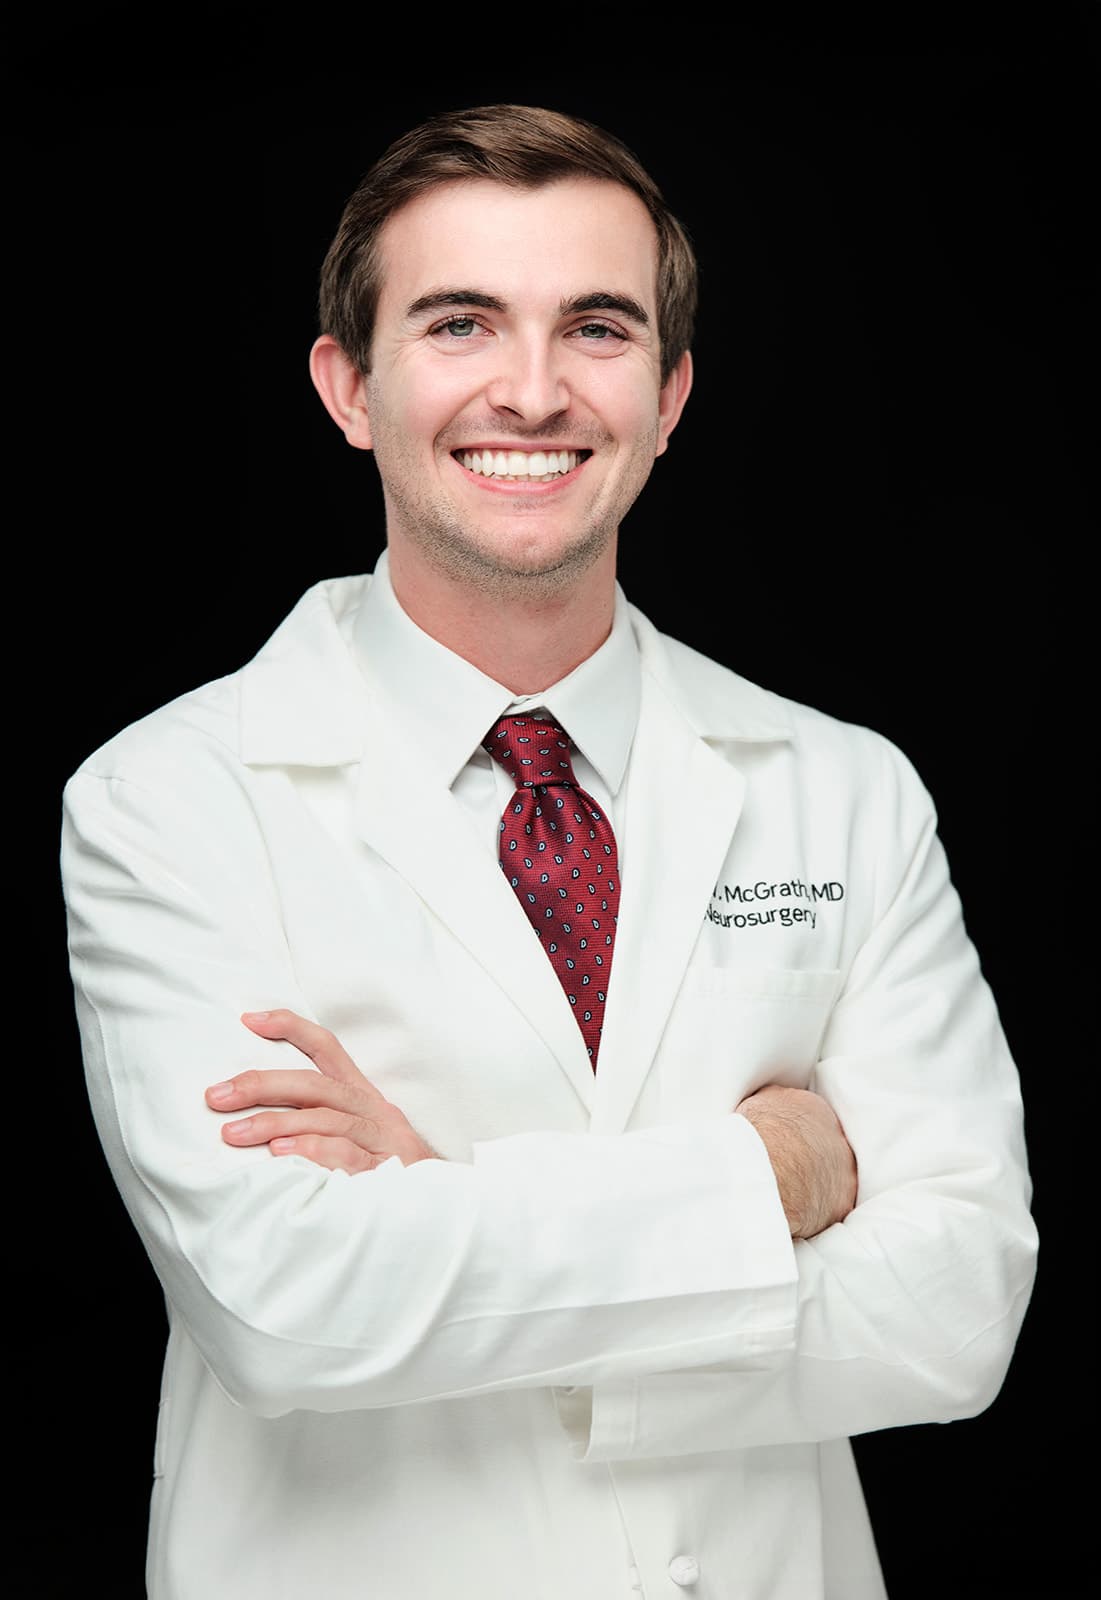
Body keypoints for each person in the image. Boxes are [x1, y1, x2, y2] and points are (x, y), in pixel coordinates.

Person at [60, 103, 1038, 1600]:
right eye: (459, 323)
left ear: (671, 393)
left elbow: (957, 1309)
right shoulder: (169, 799)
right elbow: (283, 1307)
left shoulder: (845, 790)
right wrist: (768, 1175)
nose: (531, 392)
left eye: (596, 328)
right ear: (350, 387)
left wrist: (435, 1206)